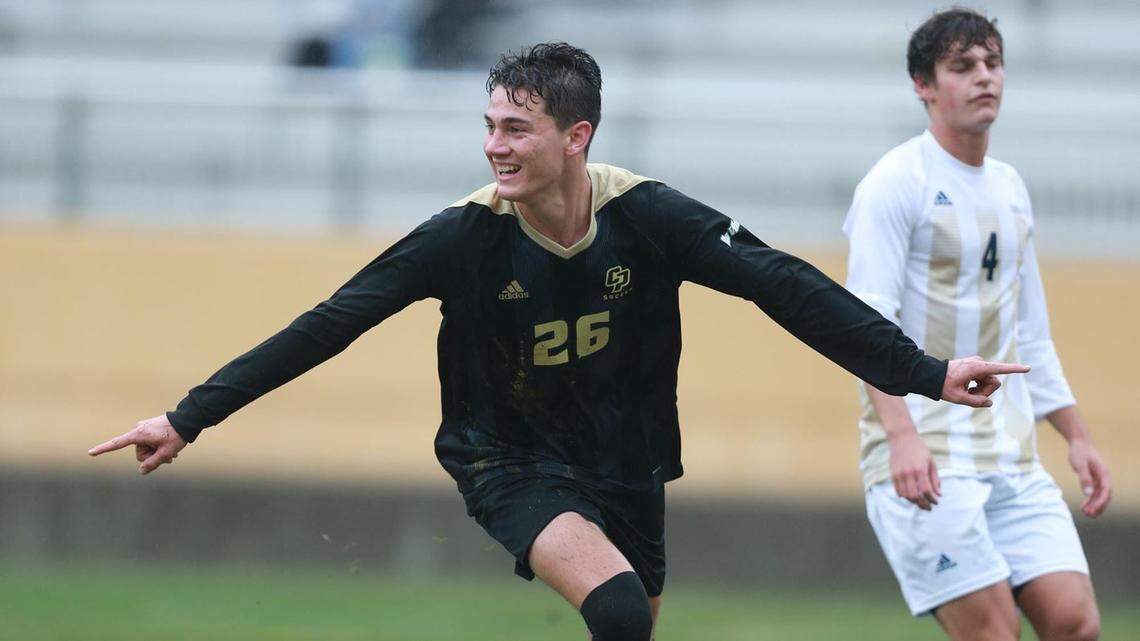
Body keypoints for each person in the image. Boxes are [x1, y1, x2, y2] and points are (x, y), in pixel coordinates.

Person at [90, 42, 1026, 641]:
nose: (495, 146)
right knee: (618, 612)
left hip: (628, 459)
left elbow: (785, 285)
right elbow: (329, 324)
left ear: (576, 136)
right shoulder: (462, 235)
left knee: (634, 625)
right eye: (489, 125)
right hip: (506, 456)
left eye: (517, 128)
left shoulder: (649, 216)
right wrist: (187, 416)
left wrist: (926, 372)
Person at [842, 10, 1111, 641]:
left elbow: (1031, 332)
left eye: (992, 63)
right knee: (993, 633)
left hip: (1011, 456)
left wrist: (1075, 435)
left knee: (1076, 624)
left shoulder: (1010, 187)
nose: (983, 77)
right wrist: (901, 437)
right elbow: (862, 329)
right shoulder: (894, 184)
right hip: (926, 456)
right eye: (963, 66)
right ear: (924, 86)